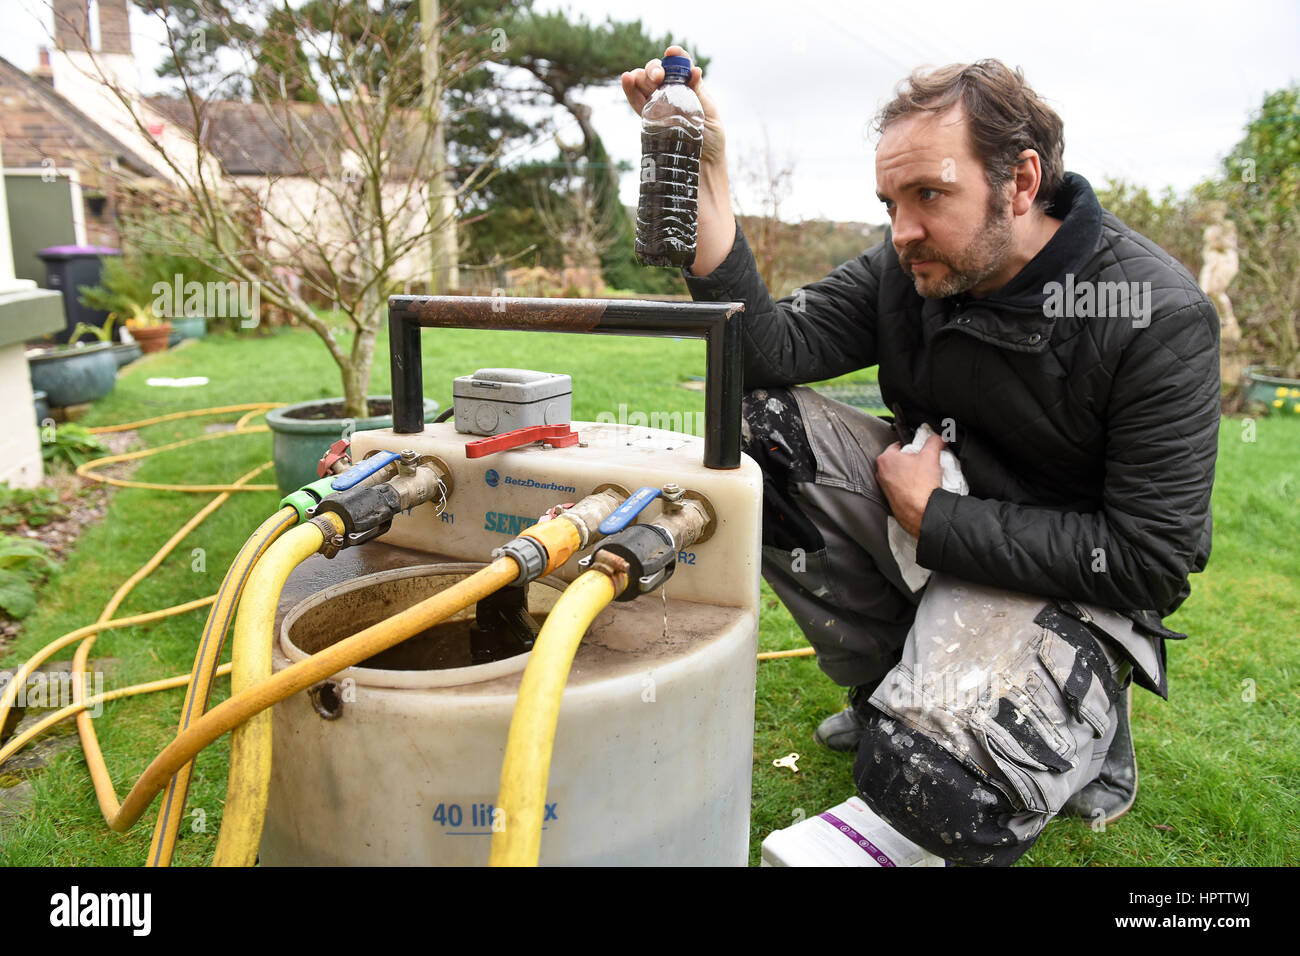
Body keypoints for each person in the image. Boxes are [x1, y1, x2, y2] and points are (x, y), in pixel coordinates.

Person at [621, 51, 1220, 866]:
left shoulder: (1154, 312)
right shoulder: (909, 268)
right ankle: (888, 691)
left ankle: (1091, 722)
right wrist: (710, 176)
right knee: (756, 427)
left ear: (1020, 181)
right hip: (934, 514)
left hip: (1073, 583)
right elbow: (764, 354)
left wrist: (936, 517)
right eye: (889, 201)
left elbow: (1152, 561)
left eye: (929, 196)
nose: (902, 230)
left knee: (931, 789)